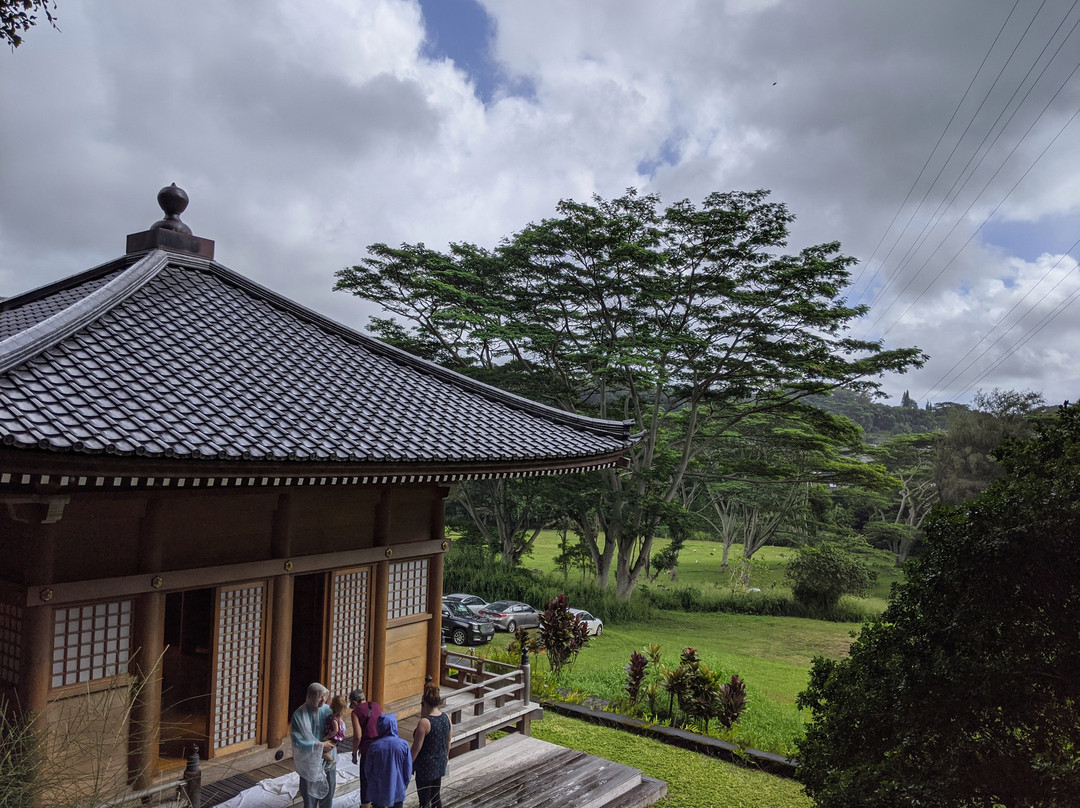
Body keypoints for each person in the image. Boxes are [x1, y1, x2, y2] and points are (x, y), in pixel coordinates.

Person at [290, 682, 336, 808]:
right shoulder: (299, 715)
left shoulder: (327, 710)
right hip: (309, 758)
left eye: (324, 696)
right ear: (312, 696)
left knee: (330, 786)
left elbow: (337, 727)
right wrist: (319, 746)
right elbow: (298, 740)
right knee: (309, 791)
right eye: (320, 696)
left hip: (328, 756)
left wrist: (332, 742)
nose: (323, 699)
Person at [411, 679, 452, 808]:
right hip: (439, 762)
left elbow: (416, 748)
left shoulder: (424, 723)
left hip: (425, 766)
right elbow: (448, 741)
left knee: (424, 800)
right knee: (436, 796)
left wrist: (408, 764)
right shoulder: (446, 717)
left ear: (424, 702)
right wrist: (446, 756)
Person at [363, 713, 412, 808]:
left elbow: (368, 769)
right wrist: (404, 784)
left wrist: (372, 784)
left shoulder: (374, 746)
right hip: (398, 788)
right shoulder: (404, 745)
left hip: (378, 789)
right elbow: (408, 769)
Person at [349, 688, 382, 808]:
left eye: (351, 705)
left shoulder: (356, 712)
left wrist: (354, 753)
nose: (352, 708)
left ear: (355, 702)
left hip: (368, 750)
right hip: (381, 747)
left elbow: (358, 736)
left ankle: (366, 805)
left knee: (366, 782)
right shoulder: (376, 706)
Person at [322, 694, 347, 763]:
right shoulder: (340, 716)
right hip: (337, 738)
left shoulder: (334, 719)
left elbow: (335, 730)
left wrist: (327, 737)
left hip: (334, 738)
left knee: (321, 751)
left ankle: (331, 761)